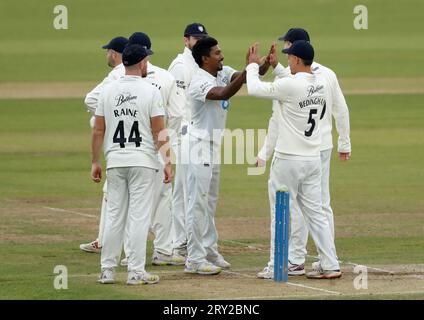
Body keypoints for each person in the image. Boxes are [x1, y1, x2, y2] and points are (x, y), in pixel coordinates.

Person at [81, 32, 185, 267]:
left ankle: (110, 267)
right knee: (157, 204)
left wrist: (109, 124)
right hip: (150, 154)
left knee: (118, 213)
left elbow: (93, 109)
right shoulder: (163, 81)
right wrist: (168, 155)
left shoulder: (115, 80)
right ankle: (159, 253)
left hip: (118, 153)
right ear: (145, 57)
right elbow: (174, 118)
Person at [256, 28, 351, 276]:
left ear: (296, 52)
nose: (286, 55)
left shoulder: (293, 80)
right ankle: (328, 261)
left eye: (288, 49)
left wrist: (253, 68)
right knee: (319, 207)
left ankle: (291, 260)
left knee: (288, 207)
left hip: (292, 153)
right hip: (318, 149)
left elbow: (286, 89)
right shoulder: (323, 77)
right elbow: (338, 107)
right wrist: (344, 143)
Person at [92, 44, 172, 285]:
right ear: (142, 63)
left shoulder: (108, 90)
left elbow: (98, 128)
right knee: (138, 217)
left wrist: (95, 161)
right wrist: (168, 161)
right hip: (143, 162)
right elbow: (159, 130)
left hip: (115, 160)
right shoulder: (150, 91)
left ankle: (107, 270)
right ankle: (136, 271)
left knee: (115, 215)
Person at [185, 37, 247, 275]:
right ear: (204, 58)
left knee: (209, 202)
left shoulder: (222, 71)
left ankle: (209, 249)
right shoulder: (198, 82)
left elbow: (245, 77)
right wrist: (248, 70)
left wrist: (260, 65)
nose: (222, 56)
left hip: (212, 144)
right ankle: (194, 258)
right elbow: (223, 94)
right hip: (198, 144)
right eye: (217, 53)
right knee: (197, 202)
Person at [81, 36, 128, 253]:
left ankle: (109, 244)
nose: (106, 54)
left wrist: (105, 118)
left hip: (118, 142)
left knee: (115, 194)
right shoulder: (144, 72)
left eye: (108, 51)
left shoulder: (115, 75)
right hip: (142, 141)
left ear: (115, 54)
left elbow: (90, 100)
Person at [168, 23, 209, 258]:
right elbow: (178, 106)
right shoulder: (180, 66)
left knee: (191, 188)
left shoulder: (199, 63)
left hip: (198, 131)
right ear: (186, 40)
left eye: (202, 38)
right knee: (184, 190)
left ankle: (185, 240)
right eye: (195, 38)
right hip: (184, 132)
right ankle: (180, 242)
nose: (199, 41)